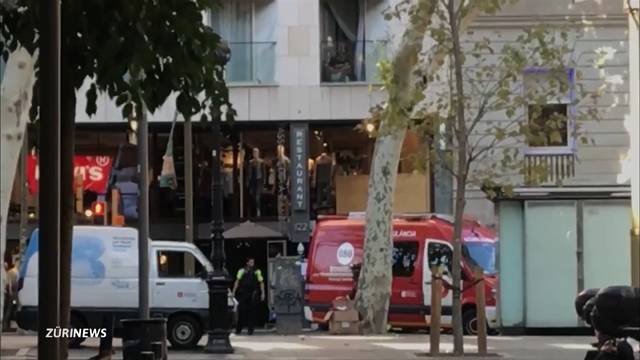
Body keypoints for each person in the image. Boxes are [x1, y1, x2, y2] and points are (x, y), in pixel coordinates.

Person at [232, 257, 265, 335]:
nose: (252, 264)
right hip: (243, 293)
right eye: (251, 262)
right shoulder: (242, 270)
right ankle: (238, 330)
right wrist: (233, 292)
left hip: (253, 293)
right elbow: (237, 281)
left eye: (253, 262)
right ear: (247, 263)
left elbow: (261, 282)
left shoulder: (257, 271)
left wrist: (263, 293)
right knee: (242, 311)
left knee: (252, 313)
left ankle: (250, 330)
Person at [3, 260, 18, 331]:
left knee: (10, 308)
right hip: (12, 292)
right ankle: (5, 324)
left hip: (13, 292)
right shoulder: (13, 271)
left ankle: (6, 324)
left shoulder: (11, 271)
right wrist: (10, 291)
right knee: (10, 308)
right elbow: (9, 283)